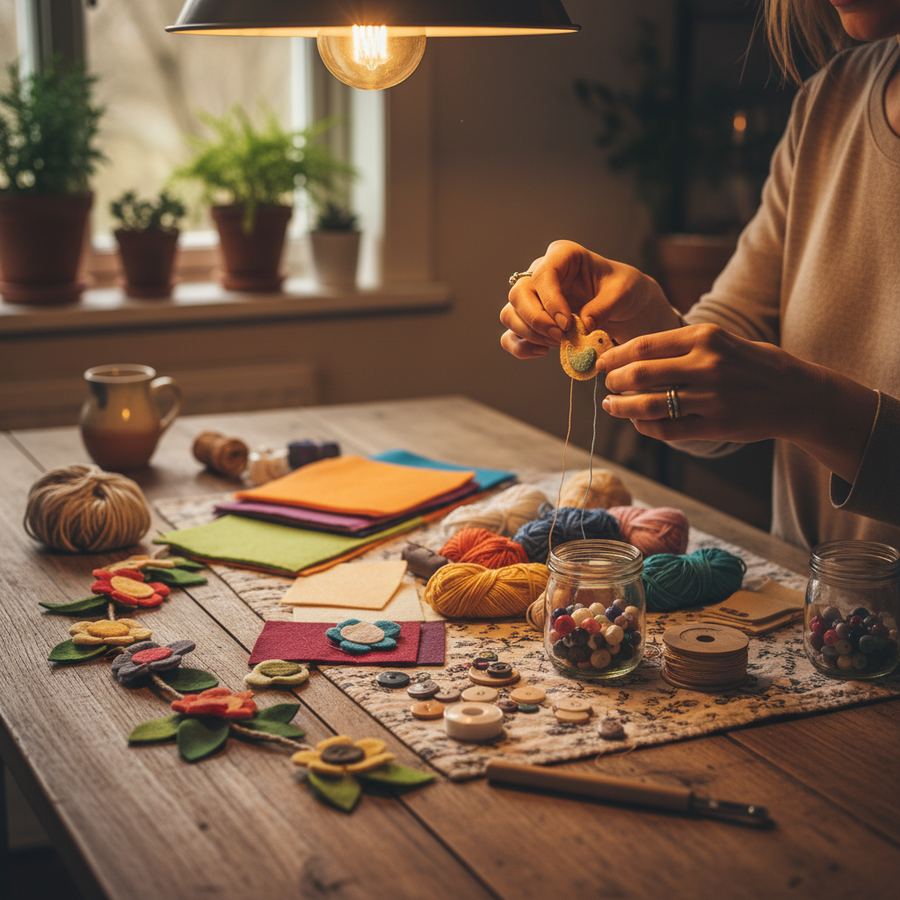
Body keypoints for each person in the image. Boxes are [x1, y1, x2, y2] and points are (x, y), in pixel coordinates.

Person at [500, 0, 900, 551]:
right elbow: (734, 346)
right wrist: (646, 324)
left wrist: (812, 408)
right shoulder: (832, 102)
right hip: (807, 598)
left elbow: (779, 392)